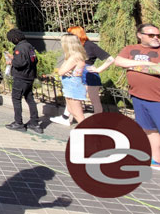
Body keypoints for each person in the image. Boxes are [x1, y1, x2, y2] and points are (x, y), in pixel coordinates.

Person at [110, 23, 160, 169]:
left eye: (158, 35)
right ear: (140, 35)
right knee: (148, 128)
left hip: (157, 98)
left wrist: (132, 65)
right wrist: (146, 64)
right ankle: (156, 158)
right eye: (151, 35)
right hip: (139, 96)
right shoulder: (130, 49)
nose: (156, 38)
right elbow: (119, 61)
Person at [50, 27, 114, 126]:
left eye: (70, 33)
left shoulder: (90, 45)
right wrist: (68, 70)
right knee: (73, 99)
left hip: (89, 75)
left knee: (94, 99)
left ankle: (98, 121)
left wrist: (99, 69)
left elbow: (110, 59)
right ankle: (66, 117)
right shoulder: (76, 49)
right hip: (77, 76)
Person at [4, 29, 42, 134]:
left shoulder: (19, 48)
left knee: (16, 99)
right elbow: (34, 60)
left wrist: (12, 61)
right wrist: (15, 57)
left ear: (15, 38)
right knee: (30, 99)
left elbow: (19, 63)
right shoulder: (29, 46)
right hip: (30, 77)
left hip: (21, 77)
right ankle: (34, 122)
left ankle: (18, 123)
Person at [57, 33, 87, 125]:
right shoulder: (75, 56)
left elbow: (60, 71)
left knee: (78, 114)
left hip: (73, 86)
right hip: (71, 85)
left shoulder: (74, 57)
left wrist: (64, 70)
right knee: (71, 110)